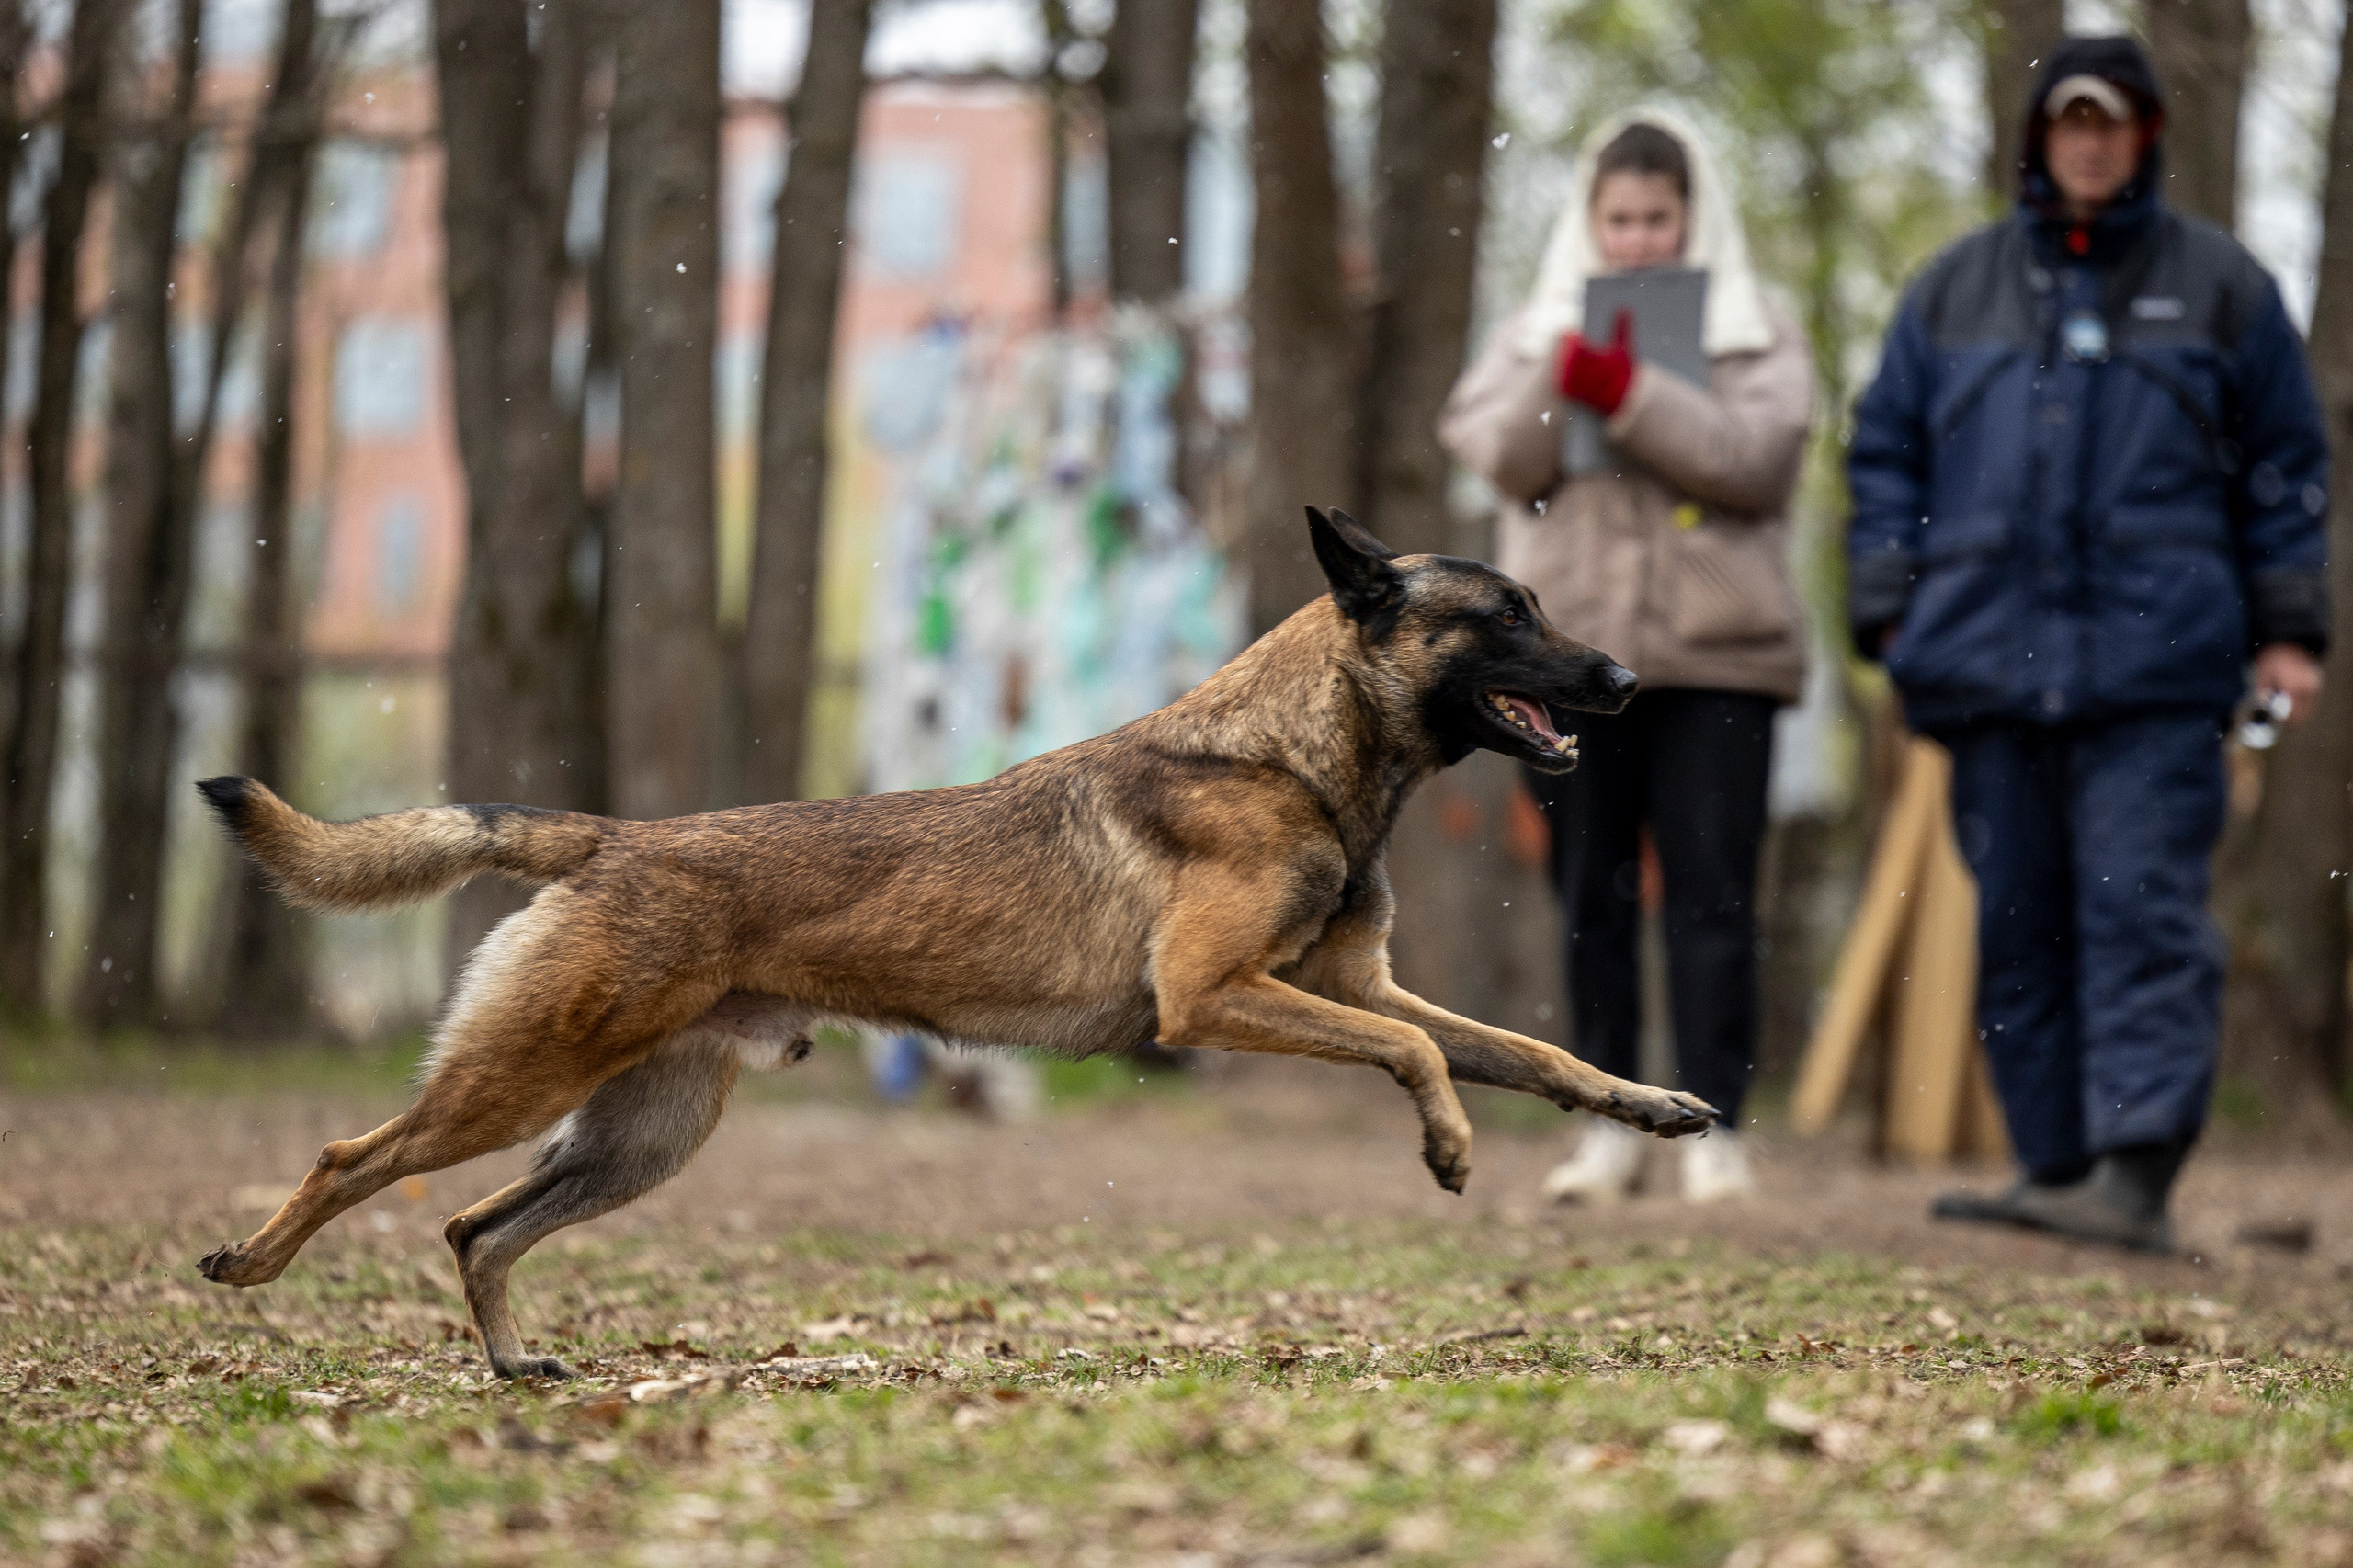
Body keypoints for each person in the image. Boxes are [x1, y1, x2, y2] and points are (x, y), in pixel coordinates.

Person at [1847, 37, 2328, 1252]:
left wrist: (2290, 632)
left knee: (2142, 912)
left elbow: (2285, 471)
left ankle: (2136, 1169)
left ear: (2148, 137)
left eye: (2114, 122)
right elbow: (1885, 453)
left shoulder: (2223, 287)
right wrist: (1889, 608)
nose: (2092, 141)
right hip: (1983, 664)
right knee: (2017, 916)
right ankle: (2053, 1163)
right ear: (2038, 138)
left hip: (2159, 668)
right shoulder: (1953, 289)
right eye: (2071, 122)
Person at [1440, 109, 1815, 1204]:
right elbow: (1491, 453)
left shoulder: (1756, 331)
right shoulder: (1533, 330)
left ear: (1691, 220)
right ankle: (1607, 1124)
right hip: (1566, 663)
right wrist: (1563, 372)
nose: (1640, 238)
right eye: (1621, 218)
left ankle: (1714, 1125)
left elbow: (1759, 462)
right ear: (1590, 222)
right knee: (1585, 893)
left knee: (1713, 896)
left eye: (1658, 217)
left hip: (1719, 661)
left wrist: (1631, 393)